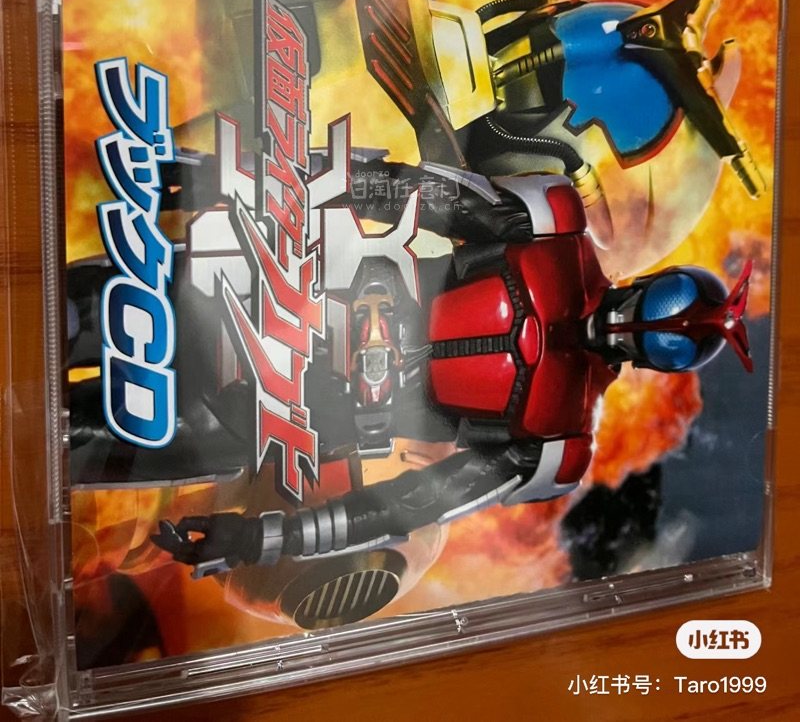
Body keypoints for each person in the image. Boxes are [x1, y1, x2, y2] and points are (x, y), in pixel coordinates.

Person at [152, 162, 752, 578]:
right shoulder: (551, 226)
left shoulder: (557, 441)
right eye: (666, 309)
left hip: (284, 414)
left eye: (669, 341)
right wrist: (235, 180)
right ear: (656, 282)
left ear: (661, 362)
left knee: (137, 440)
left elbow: (408, 507)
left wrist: (263, 539)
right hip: (285, 292)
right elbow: (404, 190)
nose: (637, 327)